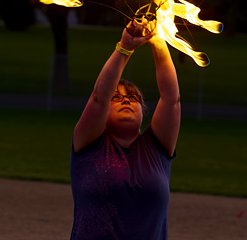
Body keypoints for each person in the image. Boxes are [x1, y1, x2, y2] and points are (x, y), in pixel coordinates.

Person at [70, 18, 181, 240]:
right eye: (117, 98)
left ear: (143, 111)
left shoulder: (157, 147)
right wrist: (125, 48)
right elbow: (99, 97)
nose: (126, 101)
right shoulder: (89, 143)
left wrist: (159, 42)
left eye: (133, 98)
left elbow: (172, 99)